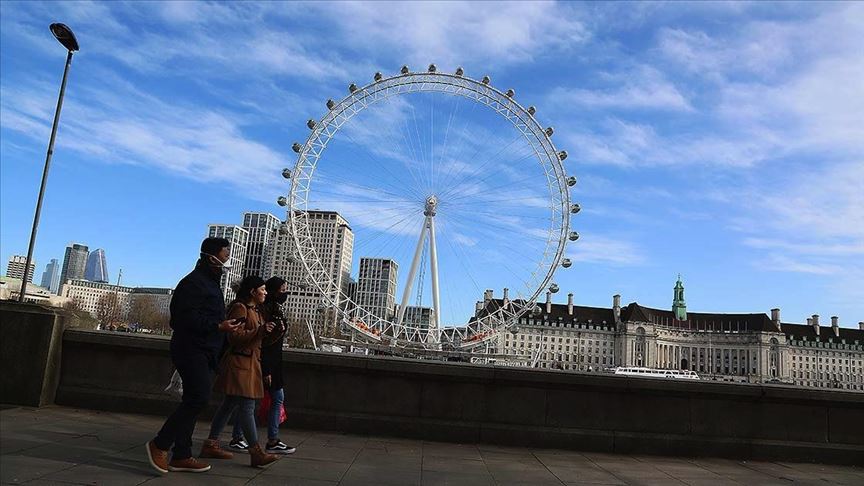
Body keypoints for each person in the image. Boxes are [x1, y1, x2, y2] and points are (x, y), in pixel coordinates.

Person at [146, 237, 242, 474]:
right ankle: (159, 444)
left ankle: (182, 455)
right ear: (211, 256)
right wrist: (218, 327)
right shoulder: (193, 283)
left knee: (192, 399)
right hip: (191, 349)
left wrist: (223, 326)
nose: (227, 257)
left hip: (206, 350)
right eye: (224, 253)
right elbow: (180, 319)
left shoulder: (210, 283)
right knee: (198, 398)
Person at [200, 275, 279, 468]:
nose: (266, 292)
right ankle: (256, 452)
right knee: (247, 407)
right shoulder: (240, 308)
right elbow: (234, 336)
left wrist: (274, 332)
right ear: (253, 291)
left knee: (229, 404)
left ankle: (211, 443)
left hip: (250, 363)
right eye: (262, 289)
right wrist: (260, 331)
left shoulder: (256, 310)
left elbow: (258, 339)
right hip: (240, 364)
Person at [259, 277, 296, 454]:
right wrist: (266, 369)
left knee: (244, 402)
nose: (285, 293)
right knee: (272, 399)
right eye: (283, 289)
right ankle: (272, 440)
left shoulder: (272, 309)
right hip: (268, 364)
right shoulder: (270, 311)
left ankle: (236, 437)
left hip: (273, 363)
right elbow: (266, 344)